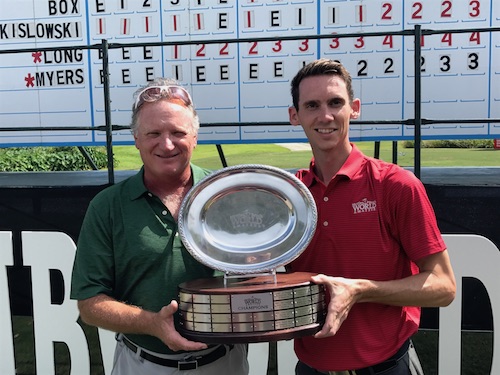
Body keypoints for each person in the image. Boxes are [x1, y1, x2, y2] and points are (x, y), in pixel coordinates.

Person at [286, 59, 456, 375]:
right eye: (312, 105)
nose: (325, 116)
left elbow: (444, 286)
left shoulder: (395, 185)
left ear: (355, 108)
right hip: (310, 367)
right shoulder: (289, 194)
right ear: (294, 116)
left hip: (384, 367)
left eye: (335, 102)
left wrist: (362, 291)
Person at [70, 78, 249, 375]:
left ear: (194, 136)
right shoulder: (108, 206)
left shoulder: (228, 195)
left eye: (178, 132)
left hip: (224, 362)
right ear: (136, 138)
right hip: (143, 364)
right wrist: (152, 323)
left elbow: (256, 275)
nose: (166, 144)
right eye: (153, 133)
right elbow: (90, 304)